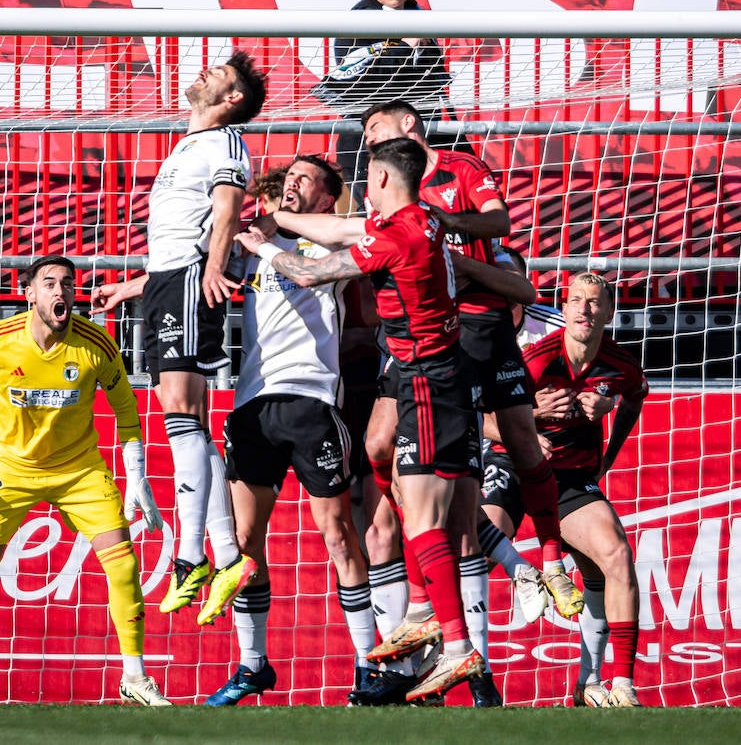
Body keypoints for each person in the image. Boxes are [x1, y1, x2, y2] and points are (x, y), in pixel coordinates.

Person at [236, 137, 485, 703]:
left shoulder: (394, 236)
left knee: (422, 521)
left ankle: (455, 647)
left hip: (426, 379)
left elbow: (309, 271)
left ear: (378, 179)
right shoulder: (419, 220)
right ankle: (424, 615)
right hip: (426, 378)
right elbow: (336, 233)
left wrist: (263, 247)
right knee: (397, 488)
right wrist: (277, 220)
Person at [0, 255, 170, 707]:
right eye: (49, 283)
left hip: (80, 472)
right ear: (29, 293)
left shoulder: (96, 345)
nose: (60, 291)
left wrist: (136, 474)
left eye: (68, 283)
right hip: (7, 472)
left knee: (122, 562)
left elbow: (126, 410)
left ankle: (135, 678)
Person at [356, 101, 583, 626]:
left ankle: (550, 560)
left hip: (480, 324)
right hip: (420, 335)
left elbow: (501, 222)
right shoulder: (382, 198)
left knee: (518, 443)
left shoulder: (459, 168)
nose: (367, 139)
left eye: (374, 127)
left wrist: (445, 226)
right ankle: (436, 602)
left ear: (408, 126)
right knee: (382, 447)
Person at [93, 50, 267, 624]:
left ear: (232, 98)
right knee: (180, 417)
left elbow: (225, 212)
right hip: (170, 280)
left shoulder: (226, 144)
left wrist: (214, 270)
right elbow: (182, 237)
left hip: (192, 280)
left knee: (182, 414)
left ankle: (191, 557)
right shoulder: (188, 144)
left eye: (217, 73)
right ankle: (222, 556)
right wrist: (134, 287)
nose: (202, 72)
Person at [204, 156, 377, 706]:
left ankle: (367, 666)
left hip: (312, 403)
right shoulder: (253, 242)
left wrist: (263, 242)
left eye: (308, 180)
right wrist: (134, 285)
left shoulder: (331, 246)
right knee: (244, 545)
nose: (294, 185)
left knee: (337, 535)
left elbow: (306, 271)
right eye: (291, 177)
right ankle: (253, 665)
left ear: (329, 199)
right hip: (253, 403)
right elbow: (199, 266)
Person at [517, 272, 650, 707]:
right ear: (564, 307)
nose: (583, 309)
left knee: (615, 555)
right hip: (513, 467)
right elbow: (480, 415)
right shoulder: (536, 359)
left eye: (594, 302)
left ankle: (619, 684)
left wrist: (610, 435)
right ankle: (524, 575)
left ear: (610, 311)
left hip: (569, 481)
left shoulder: (621, 366)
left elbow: (635, 397)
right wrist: (528, 422)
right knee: (469, 549)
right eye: (575, 300)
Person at [313, 0, 454, 200]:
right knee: (378, 217)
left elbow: (434, 84)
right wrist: (404, 46)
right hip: (367, 143)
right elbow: (356, 81)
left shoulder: (424, 19)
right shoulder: (357, 22)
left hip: (417, 140)